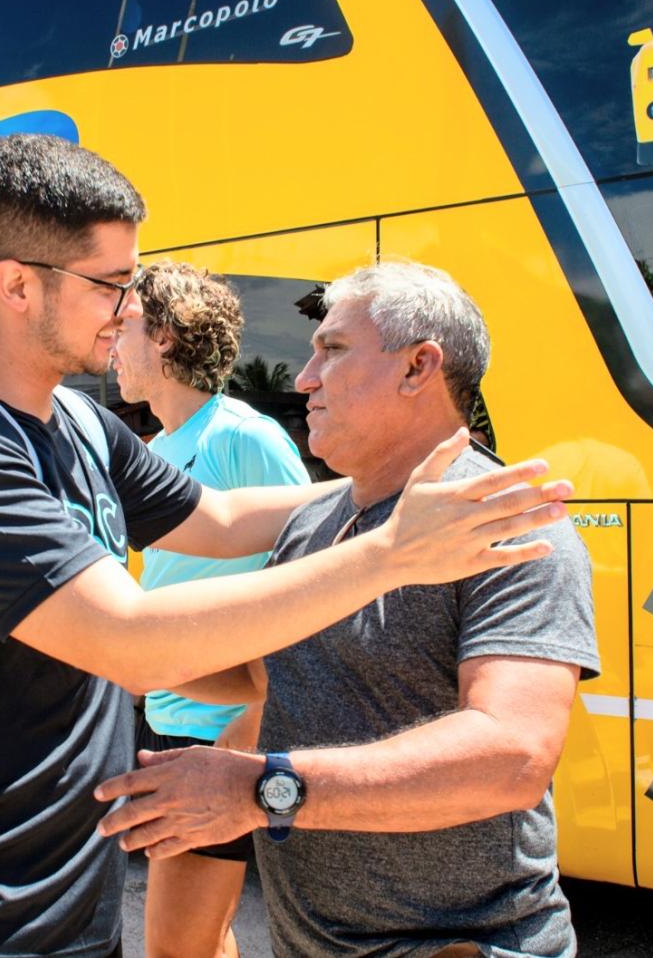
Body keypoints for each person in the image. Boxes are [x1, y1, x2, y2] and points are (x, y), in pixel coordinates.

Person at [0, 135, 572, 957]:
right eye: (111, 284)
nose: (128, 308)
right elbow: (131, 643)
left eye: (331, 350)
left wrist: (396, 486)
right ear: (15, 283)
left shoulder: (79, 424)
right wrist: (393, 546)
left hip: (68, 887)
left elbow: (217, 520)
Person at [97, 261, 600, 958]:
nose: (303, 377)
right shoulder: (316, 521)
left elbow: (512, 756)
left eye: (331, 350)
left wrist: (258, 789)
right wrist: (117, 651)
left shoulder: (498, 522)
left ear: (419, 367)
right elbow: (261, 680)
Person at [113, 261, 310, 957]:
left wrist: (252, 727)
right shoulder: (158, 449)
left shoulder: (240, 437)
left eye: (127, 322)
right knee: (200, 940)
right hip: (173, 722)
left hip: (222, 735)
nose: (112, 335)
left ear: (164, 337)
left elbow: (314, 576)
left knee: (174, 949)